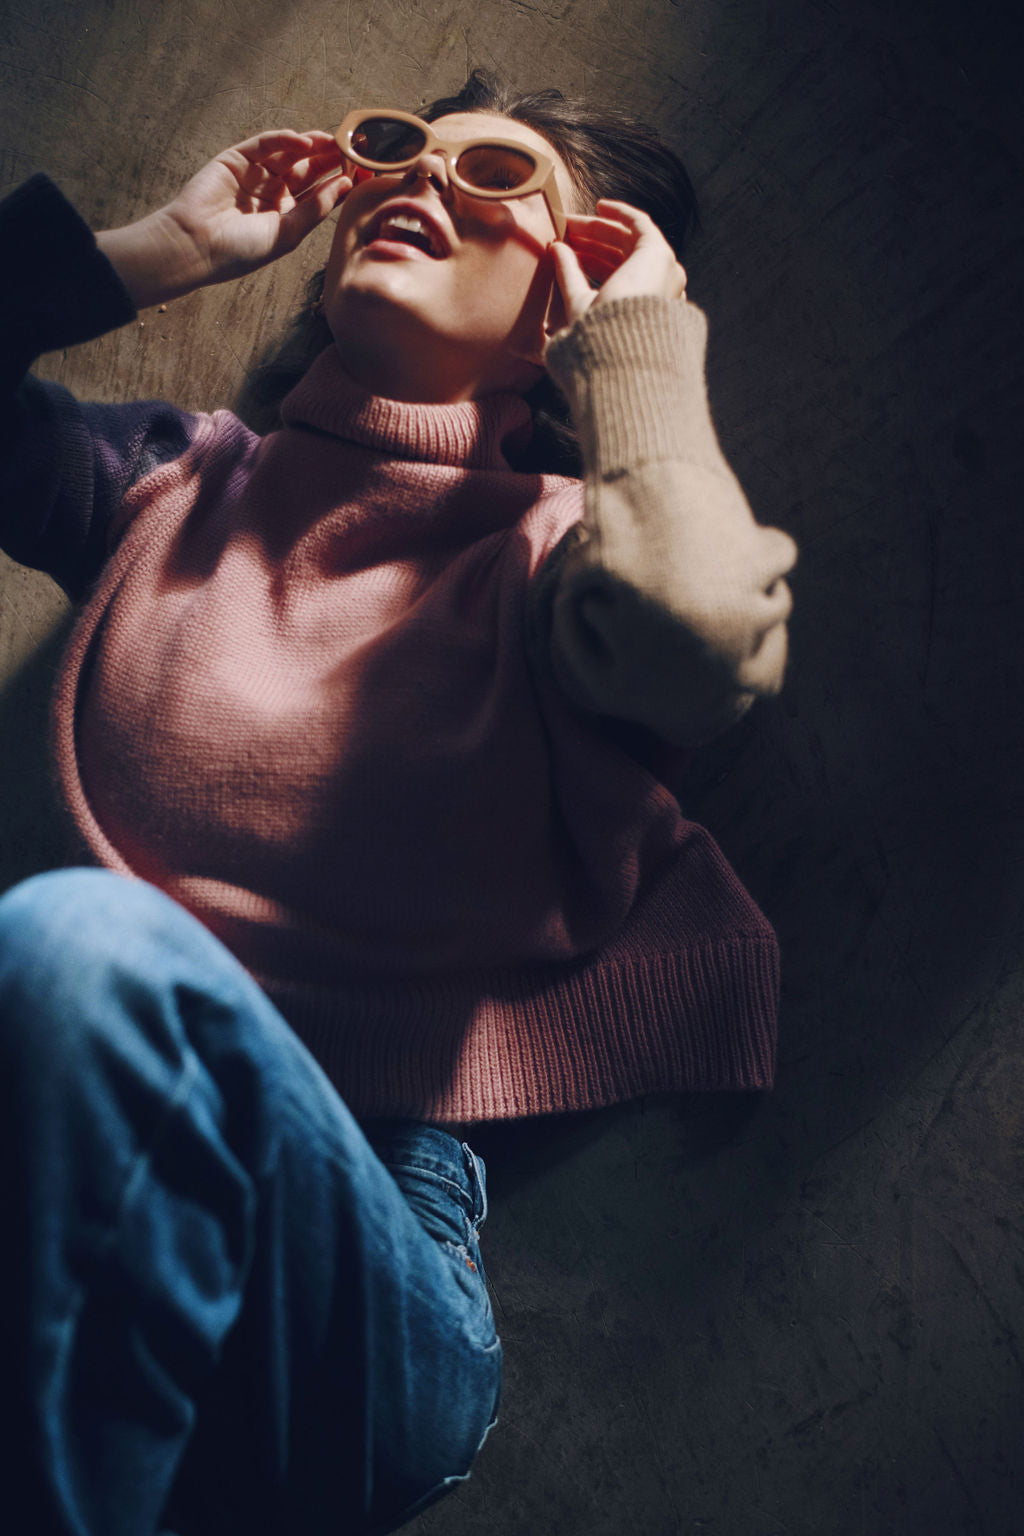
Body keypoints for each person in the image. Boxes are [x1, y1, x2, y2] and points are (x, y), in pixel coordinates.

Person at [0, 69, 797, 1536]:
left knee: (75, 949)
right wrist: (154, 252)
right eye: (392, 154)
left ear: (574, 283)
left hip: (364, 1291)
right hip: (56, 1209)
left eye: (494, 176)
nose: (415, 183)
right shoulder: (167, 489)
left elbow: (694, 627)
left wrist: (637, 348)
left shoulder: (561, 569)